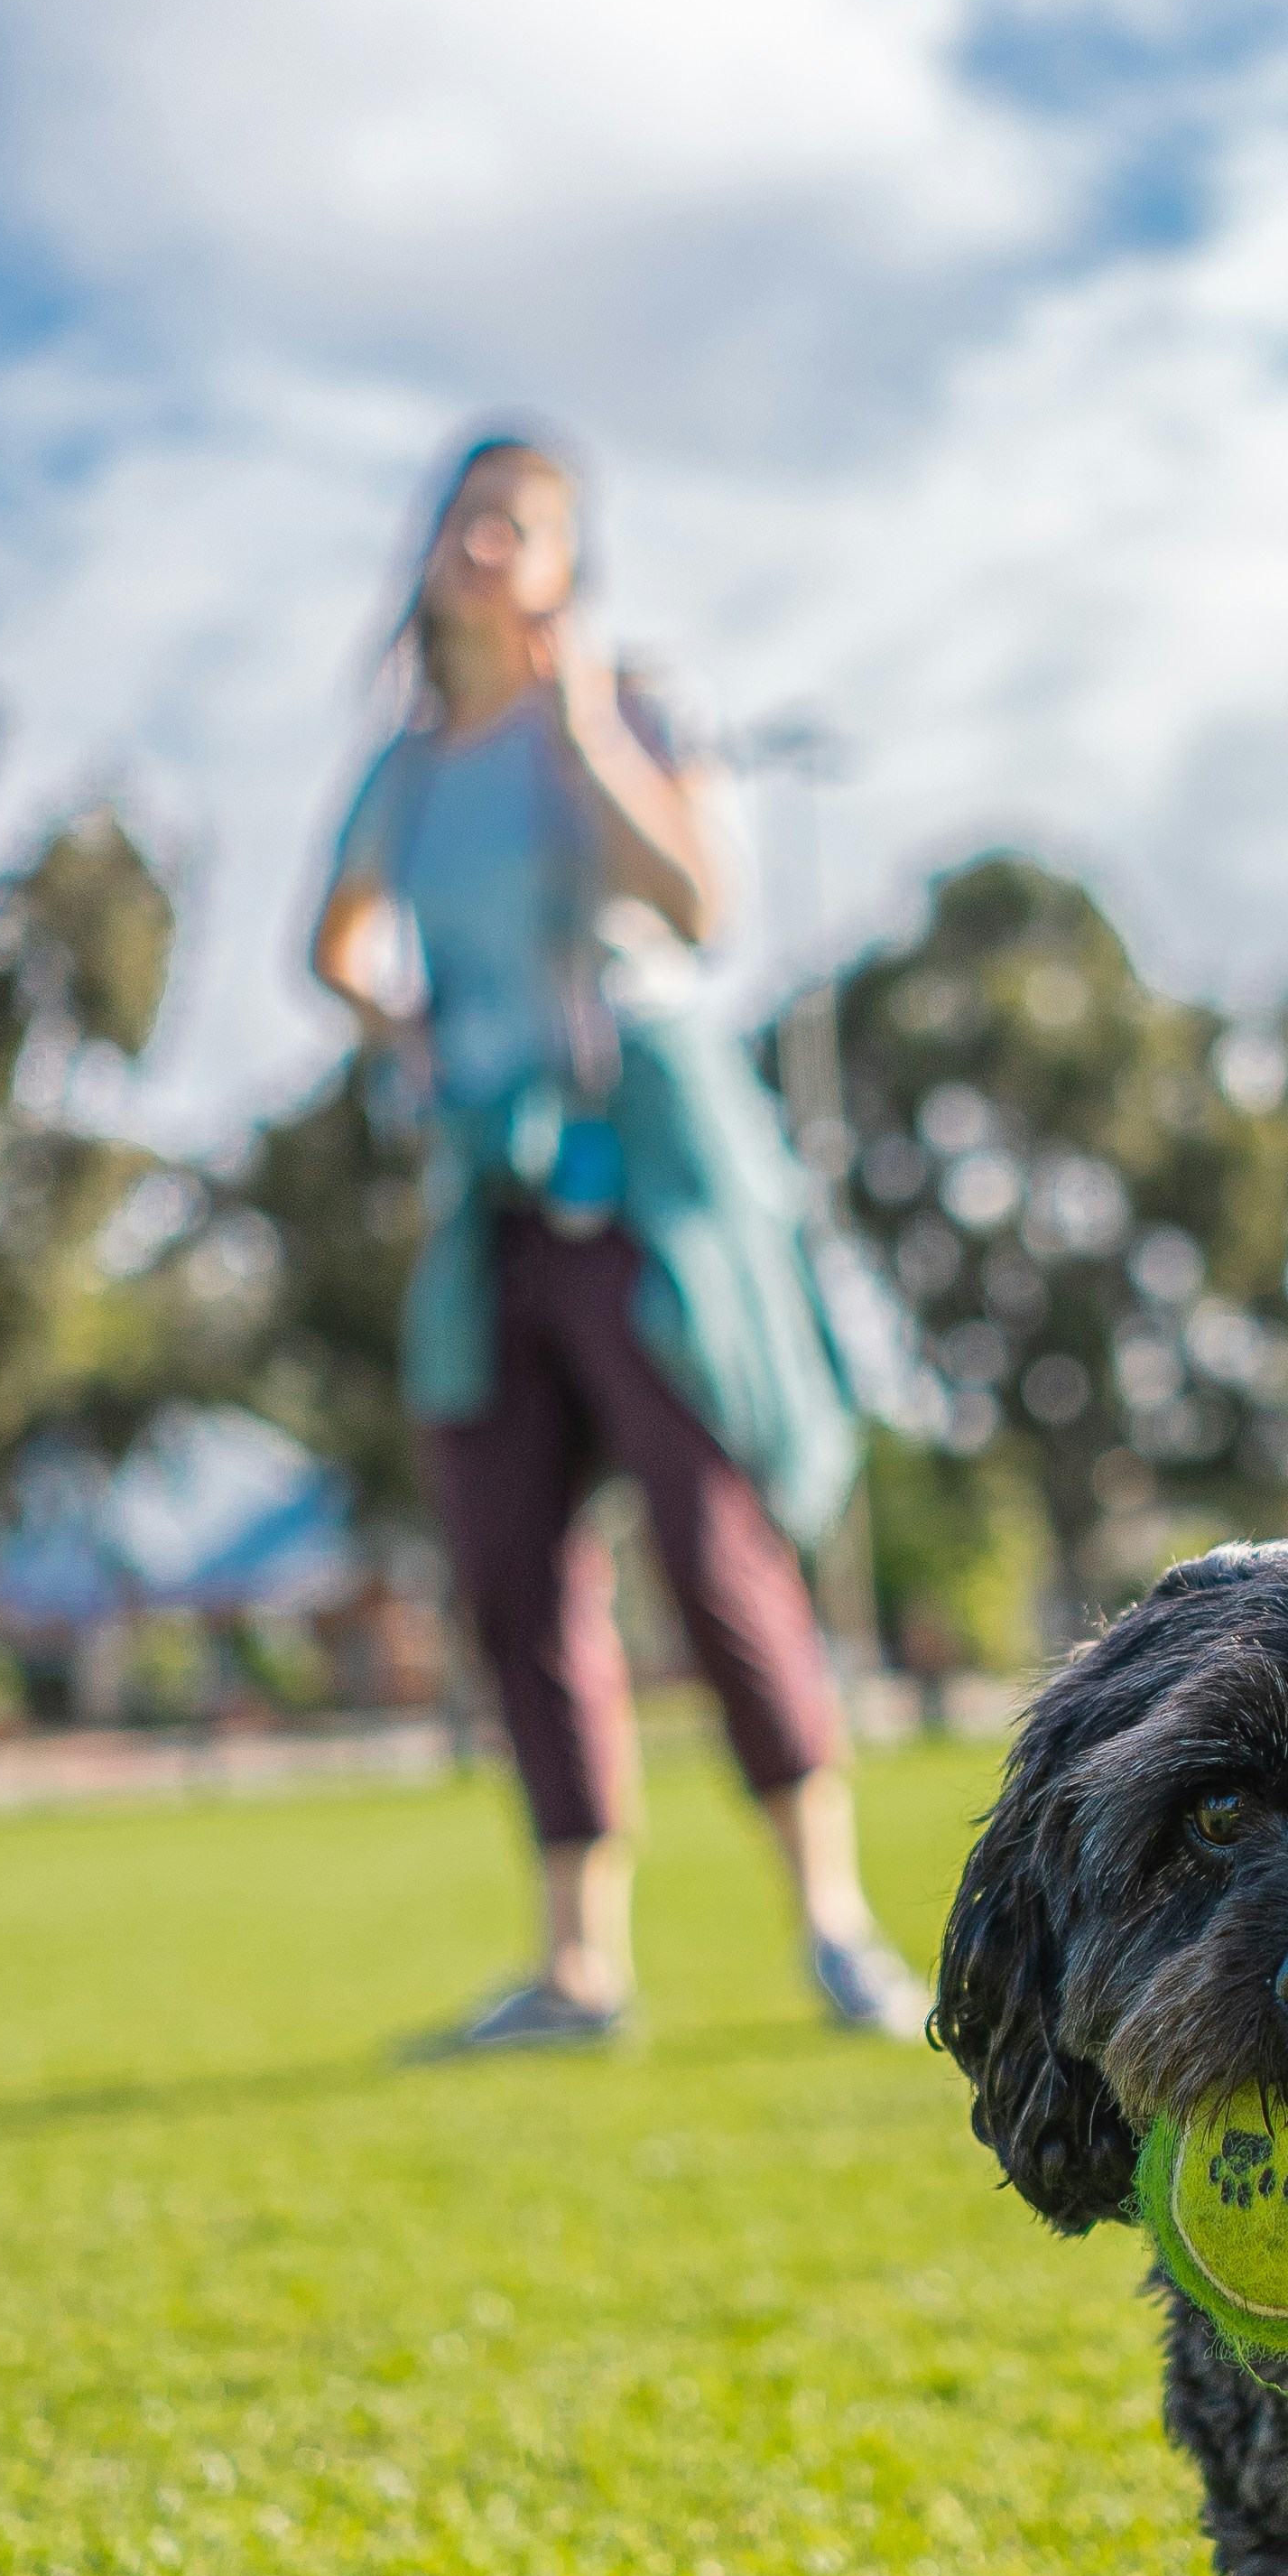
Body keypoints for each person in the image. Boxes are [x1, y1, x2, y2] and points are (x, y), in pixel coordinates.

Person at [308, 427, 927, 2051]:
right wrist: (403, 1038)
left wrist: (582, 722)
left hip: (638, 1185)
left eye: (524, 523)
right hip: (491, 1199)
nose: (489, 542)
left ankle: (837, 1927)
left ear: (570, 562)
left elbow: (702, 909)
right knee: (514, 1574)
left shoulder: (627, 705)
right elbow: (335, 941)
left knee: (711, 1541)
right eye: (469, 518)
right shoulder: (411, 767)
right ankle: (579, 1967)